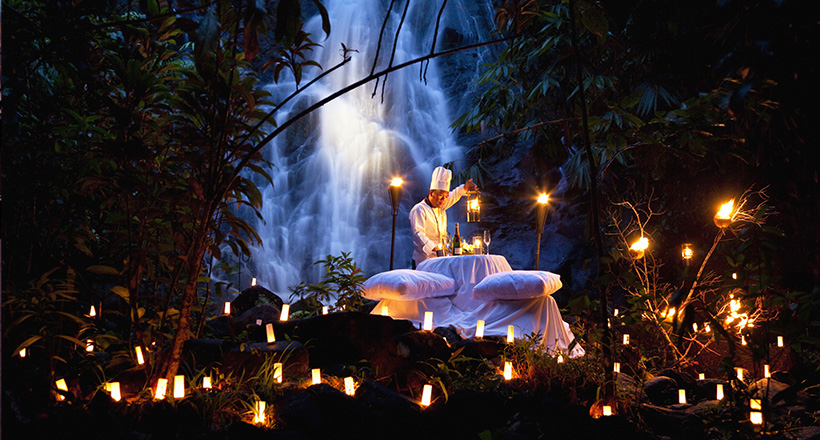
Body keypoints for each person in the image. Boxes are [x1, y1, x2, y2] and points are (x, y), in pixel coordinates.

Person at [409, 166, 477, 267]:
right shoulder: (419, 209)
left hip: (441, 259)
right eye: (441, 195)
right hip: (424, 261)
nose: (444, 199)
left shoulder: (441, 205)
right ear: (431, 193)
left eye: (446, 196)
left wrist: (465, 188)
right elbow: (418, 234)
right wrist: (435, 247)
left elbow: (454, 194)